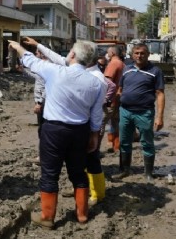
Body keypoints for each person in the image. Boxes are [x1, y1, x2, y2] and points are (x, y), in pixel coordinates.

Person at [8, 39, 105, 228]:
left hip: (54, 131)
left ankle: (47, 217)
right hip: (80, 131)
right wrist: (94, 135)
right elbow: (96, 114)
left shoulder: (55, 71)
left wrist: (18, 47)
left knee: (50, 174)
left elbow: (30, 61)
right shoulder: (96, 82)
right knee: (78, 173)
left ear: (73, 55)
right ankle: (82, 214)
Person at [22, 37, 115, 206]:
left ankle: (97, 194)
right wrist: (38, 45)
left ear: (76, 55)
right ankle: (82, 200)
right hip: (80, 128)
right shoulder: (81, 70)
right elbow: (59, 59)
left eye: (71, 52)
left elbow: (96, 112)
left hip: (81, 127)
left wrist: (95, 132)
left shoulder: (96, 78)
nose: (68, 56)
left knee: (90, 160)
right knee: (78, 167)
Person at [113, 43, 165, 183]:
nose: (139, 56)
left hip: (144, 113)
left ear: (148, 54)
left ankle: (148, 173)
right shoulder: (127, 69)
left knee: (147, 143)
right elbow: (120, 90)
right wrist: (115, 109)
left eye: (142, 53)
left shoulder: (155, 71)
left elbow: (160, 94)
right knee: (124, 142)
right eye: (136, 53)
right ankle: (124, 170)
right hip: (125, 111)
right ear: (132, 55)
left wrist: (159, 117)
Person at [103, 46, 125, 153]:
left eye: (108, 53)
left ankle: (108, 144)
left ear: (111, 53)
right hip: (119, 97)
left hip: (111, 99)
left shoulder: (113, 64)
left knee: (101, 123)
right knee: (116, 122)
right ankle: (116, 145)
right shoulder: (122, 64)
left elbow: (107, 82)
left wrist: (105, 99)